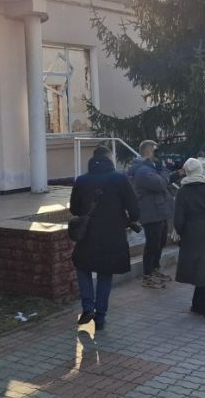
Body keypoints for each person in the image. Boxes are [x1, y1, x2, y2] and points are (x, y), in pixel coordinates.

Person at [70, 146, 140, 331]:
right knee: (105, 273)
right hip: (112, 234)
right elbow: (134, 209)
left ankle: (87, 308)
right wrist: (129, 219)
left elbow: (74, 209)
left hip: (88, 234)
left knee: (82, 267)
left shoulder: (82, 180)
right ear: (109, 158)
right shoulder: (119, 178)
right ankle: (100, 317)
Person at [173, 158, 205, 318]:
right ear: (200, 170)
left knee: (198, 267)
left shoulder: (182, 192)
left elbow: (178, 220)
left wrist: (180, 233)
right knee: (204, 266)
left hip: (190, 232)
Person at [131, 140, 175, 289]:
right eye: (156, 151)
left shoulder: (151, 167)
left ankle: (155, 270)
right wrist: (165, 169)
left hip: (159, 211)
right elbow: (159, 184)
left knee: (160, 243)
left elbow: (163, 182)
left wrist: (172, 173)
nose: (158, 154)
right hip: (151, 212)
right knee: (152, 245)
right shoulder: (142, 170)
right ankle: (147, 276)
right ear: (149, 151)